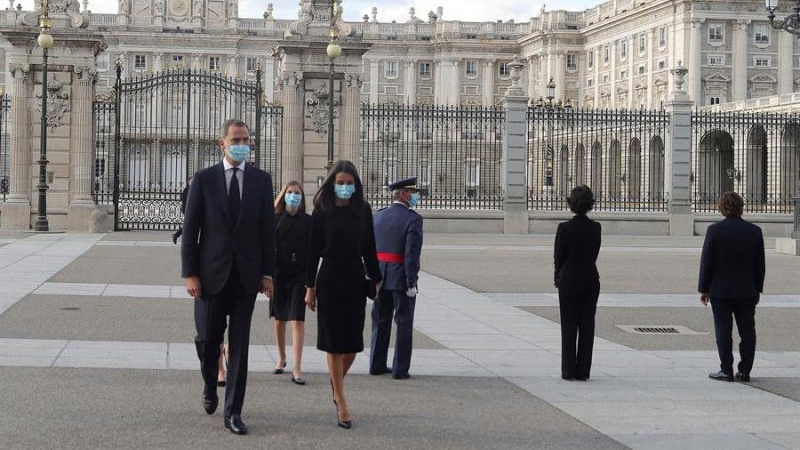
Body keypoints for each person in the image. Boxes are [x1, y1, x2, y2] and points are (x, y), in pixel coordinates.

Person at [181, 119, 275, 435]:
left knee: (240, 346)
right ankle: (210, 383)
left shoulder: (262, 181)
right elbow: (191, 230)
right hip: (209, 276)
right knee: (208, 340)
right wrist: (190, 274)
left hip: (246, 277)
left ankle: (233, 411)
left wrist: (267, 273)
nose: (242, 144)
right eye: (236, 139)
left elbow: (267, 232)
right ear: (222, 143)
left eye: (246, 139)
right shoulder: (204, 180)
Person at [304, 160, 381, 430]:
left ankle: (336, 382)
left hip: (355, 278)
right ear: (332, 184)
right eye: (340, 183)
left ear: (356, 185)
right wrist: (309, 287)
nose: (345, 187)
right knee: (333, 341)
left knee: (352, 344)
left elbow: (370, 247)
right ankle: (341, 399)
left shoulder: (363, 210)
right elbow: (313, 251)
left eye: (349, 184)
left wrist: (377, 278)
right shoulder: (322, 210)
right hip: (329, 278)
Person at [699, 191, 765, 383]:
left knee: (723, 331)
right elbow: (759, 264)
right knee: (747, 331)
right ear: (741, 206)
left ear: (721, 208)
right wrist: (757, 288)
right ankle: (745, 370)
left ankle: (726, 369)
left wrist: (704, 288)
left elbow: (707, 262)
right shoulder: (754, 231)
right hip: (747, 290)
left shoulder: (714, 231)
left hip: (721, 290)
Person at [370, 177, 423, 380]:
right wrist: (411, 280)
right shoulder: (413, 219)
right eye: (412, 192)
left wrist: (372, 275)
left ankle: (376, 363)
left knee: (380, 320)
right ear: (403, 194)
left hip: (380, 275)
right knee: (403, 322)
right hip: (401, 276)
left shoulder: (379, 216)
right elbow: (412, 255)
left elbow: (371, 248)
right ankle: (400, 368)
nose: (415, 196)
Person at [554, 185, 601, 381]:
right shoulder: (596, 228)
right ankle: (583, 371)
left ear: (571, 205)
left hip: (569, 279)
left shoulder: (564, 228)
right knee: (587, 325)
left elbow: (559, 256)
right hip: (590, 279)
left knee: (569, 324)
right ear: (591, 205)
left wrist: (557, 276)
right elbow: (594, 254)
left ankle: (568, 370)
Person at [270, 181, 311, 385]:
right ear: (284, 195)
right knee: (279, 318)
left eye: (297, 193)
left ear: (302, 198)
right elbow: (268, 248)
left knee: (297, 319)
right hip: (280, 274)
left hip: (300, 275)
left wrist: (313, 283)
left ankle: (297, 367)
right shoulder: (276, 219)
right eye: (291, 192)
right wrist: (267, 277)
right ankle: (281, 356)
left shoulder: (308, 221)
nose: (294, 196)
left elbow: (314, 253)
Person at [172, 177, 192, 245]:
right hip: (187, 210)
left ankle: (176, 235)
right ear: (188, 182)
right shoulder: (187, 189)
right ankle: (176, 235)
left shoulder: (190, 189)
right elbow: (183, 199)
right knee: (189, 224)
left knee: (190, 224)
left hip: (189, 210)